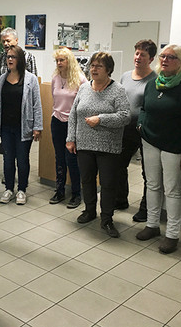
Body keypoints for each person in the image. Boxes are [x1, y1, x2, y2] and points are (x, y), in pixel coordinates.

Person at [136, 44, 181, 254]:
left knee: (172, 191)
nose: (164, 60)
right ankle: (152, 225)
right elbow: (144, 108)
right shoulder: (153, 84)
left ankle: (172, 234)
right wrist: (141, 125)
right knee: (153, 185)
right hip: (150, 142)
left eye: (171, 57)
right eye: (163, 56)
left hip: (174, 147)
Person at [66, 52, 130, 237]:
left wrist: (100, 119)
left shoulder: (117, 90)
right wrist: (71, 138)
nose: (93, 69)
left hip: (108, 146)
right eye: (92, 65)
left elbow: (125, 116)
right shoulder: (84, 88)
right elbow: (73, 114)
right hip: (84, 144)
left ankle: (107, 219)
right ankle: (89, 211)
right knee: (87, 179)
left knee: (108, 184)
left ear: (108, 69)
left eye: (98, 66)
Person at [0, 45, 43, 205]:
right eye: (8, 57)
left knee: (22, 160)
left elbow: (37, 104)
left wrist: (37, 127)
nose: (9, 59)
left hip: (24, 127)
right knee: (7, 160)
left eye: (13, 57)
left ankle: (22, 189)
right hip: (6, 128)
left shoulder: (30, 79)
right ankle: (9, 189)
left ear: (20, 59)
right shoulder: (2, 78)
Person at [117, 39, 158, 220]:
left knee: (147, 171)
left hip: (145, 131)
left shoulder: (155, 80)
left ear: (151, 59)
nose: (138, 57)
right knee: (119, 165)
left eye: (143, 54)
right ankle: (120, 199)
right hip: (124, 129)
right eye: (136, 53)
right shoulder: (125, 76)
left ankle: (146, 208)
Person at [49, 48, 87, 208]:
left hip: (73, 124)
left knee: (71, 159)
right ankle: (60, 191)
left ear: (69, 61)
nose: (59, 63)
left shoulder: (80, 79)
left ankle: (77, 194)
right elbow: (54, 98)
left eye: (62, 60)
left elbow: (84, 103)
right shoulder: (55, 78)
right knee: (59, 158)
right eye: (57, 60)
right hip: (57, 121)